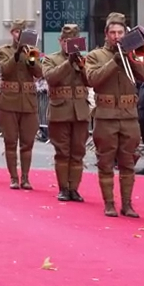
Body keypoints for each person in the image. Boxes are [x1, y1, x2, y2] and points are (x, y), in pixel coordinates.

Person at [84, 12, 144, 218]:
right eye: (112, 32)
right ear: (106, 34)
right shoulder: (96, 56)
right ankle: (109, 203)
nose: (116, 36)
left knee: (128, 162)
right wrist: (114, 61)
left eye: (120, 32)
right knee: (105, 162)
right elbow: (92, 79)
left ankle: (127, 204)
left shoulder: (132, 54)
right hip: (106, 116)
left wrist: (132, 56)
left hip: (129, 116)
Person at [40, 24, 91, 202]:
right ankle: (63, 188)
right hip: (60, 111)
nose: (69, 44)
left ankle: (74, 189)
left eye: (74, 42)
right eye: (66, 41)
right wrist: (68, 62)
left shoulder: (84, 60)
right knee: (62, 152)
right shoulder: (51, 59)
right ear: (60, 41)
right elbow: (51, 78)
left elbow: (91, 81)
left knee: (78, 152)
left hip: (80, 111)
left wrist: (81, 66)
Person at [0, 20, 43, 189]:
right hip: (9, 101)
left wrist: (31, 58)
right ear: (12, 33)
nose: (19, 35)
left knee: (27, 142)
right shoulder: (3, 51)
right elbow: (4, 70)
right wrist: (16, 55)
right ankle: (14, 177)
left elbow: (39, 72)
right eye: (16, 32)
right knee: (10, 141)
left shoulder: (32, 51)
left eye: (22, 33)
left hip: (28, 102)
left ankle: (26, 178)